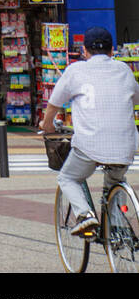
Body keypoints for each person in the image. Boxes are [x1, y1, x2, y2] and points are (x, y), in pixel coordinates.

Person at [39, 27, 139, 236]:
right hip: (126, 145)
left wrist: (47, 126)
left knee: (67, 178)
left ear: (84, 51)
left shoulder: (75, 71)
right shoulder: (124, 70)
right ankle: (118, 226)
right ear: (112, 51)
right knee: (116, 179)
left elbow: (54, 104)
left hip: (89, 144)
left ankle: (85, 215)